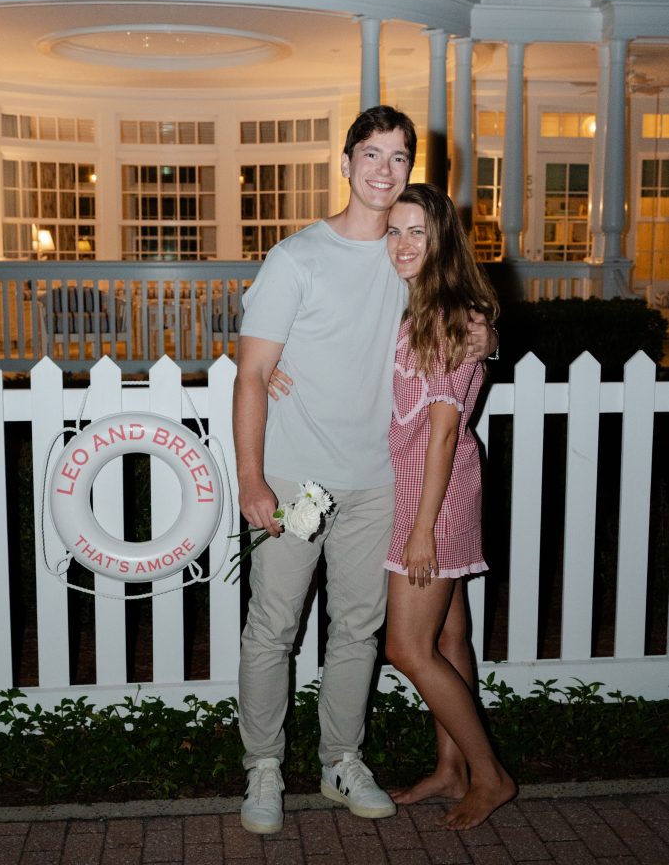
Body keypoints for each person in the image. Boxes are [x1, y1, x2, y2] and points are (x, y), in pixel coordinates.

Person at [232, 105, 496, 835]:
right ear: (345, 162)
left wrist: (484, 325)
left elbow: (460, 308)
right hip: (293, 477)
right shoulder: (296, 256)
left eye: (398, 156)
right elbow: (250, 369)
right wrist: (252, 478)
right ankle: (262, 767)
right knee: (272, 628)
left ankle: (340, 759)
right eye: (370, 154)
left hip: (381, 481)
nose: (384, 169)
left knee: (356, 630)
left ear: (409, 170)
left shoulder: (406, 254)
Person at [383, 184, 516, 830]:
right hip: (434, 481)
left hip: (428, 493)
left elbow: (439, 430)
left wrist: (419, 530)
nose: (402, 245)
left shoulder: (451, 316)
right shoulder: (425, 310)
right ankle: (450, 768)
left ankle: (489, 775)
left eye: (417, 233)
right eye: (394, 231)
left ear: (441, 243)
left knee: (405, 647)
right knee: (447, 635)